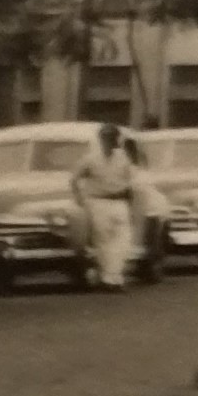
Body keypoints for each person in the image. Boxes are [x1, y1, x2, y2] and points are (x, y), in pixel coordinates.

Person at [72, 122, 139, 292]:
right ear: (100, 139)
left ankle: (113, 276)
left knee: (124, 240)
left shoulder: (123, 157)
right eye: (106, 137)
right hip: (98, 201)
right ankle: (110, 279)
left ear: (117, 139)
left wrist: (131, 203)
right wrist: (80, 199)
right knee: (103, 241)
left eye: (112, 137)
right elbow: (74, 179)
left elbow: (131, 181)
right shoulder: (90, 159)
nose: (109, 141)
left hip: (119, 201)